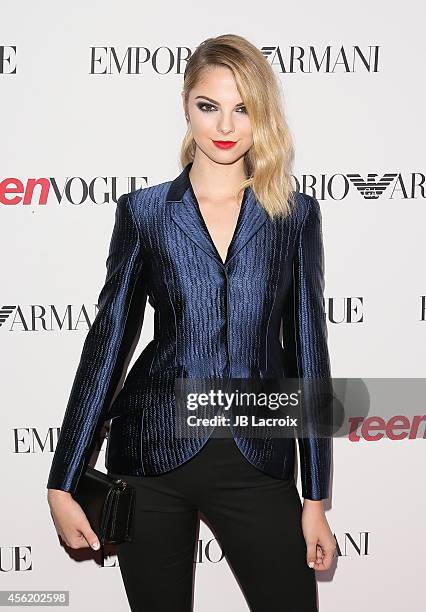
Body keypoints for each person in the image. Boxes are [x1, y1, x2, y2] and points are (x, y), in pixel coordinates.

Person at [47, 34, 336, 611]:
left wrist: (315, 499)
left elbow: (309, 355)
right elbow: (108, 346)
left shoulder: (293, 216)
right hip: (151, 456)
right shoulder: (145, 213)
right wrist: (63, 477)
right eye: (209, 106)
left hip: (257, 457)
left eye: (243, 107)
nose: (225, 125)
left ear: (263, 113)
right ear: (186, 105)